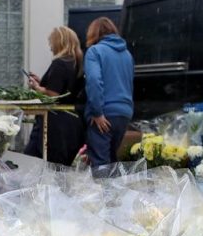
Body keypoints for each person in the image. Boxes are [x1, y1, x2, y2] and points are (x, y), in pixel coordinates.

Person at [26, 26, 86, 165]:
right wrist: (42, 83)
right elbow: (63, 89)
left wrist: (36, 87)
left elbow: (53, 95)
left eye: (51, 43)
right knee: (60, 167)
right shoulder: (75, 63)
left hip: (54, 123)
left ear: (59, 42)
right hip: (71, 122)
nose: (50, 47)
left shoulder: (59, 63)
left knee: (34, 161)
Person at [81, 17, 134, 167]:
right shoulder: (127, 55)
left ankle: (103, 191)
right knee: (111, 160)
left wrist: (97, 112)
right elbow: (128, 83)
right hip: (124, 113)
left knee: (100, 164)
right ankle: (114, 190)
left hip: (104, 114)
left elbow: (94, 81)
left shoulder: (95, 51)